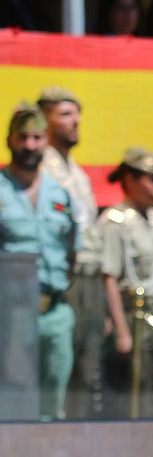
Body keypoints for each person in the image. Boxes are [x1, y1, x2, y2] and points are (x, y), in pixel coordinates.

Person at [1, 103, 78, 421]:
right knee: (14, 400)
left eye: (36, 137)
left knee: (54, 399)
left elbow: (72, 249)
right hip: (11, 311)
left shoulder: (59, 194)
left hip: (55, 309)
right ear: (9, 141)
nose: (30, 145)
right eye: (23, 138)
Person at [100, 147, 153, 419]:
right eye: (151, 180)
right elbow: (109, 278)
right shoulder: (115, 221)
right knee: (134, 395)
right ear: (130, 180)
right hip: (133, 315)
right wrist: (122, 332)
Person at [37, 87, 104, 420]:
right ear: (44, 120)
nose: (75, 121)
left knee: (89, 364)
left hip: (90, 275)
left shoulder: (75, 172)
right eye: (64, 114)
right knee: (64, 363)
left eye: (76, 113)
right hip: (64, 276)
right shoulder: (43, 170)